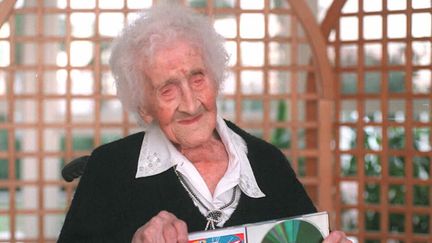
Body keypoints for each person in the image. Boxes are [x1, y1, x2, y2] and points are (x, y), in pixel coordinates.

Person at [58, 4, 351, 243]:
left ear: (216, 78)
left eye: (197, 78)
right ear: (144, 107)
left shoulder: (267, 163)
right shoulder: (109, 169)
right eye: (167, 89)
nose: (190, 103)